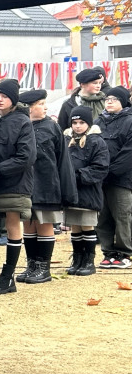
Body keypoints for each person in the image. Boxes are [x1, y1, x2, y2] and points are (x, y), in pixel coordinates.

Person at [17, 89, 77, 284]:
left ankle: (44, 268)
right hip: (25, 185)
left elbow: (63, 160)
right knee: (28, 224)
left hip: (47, 184)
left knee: (44, 224)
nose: (45, 107)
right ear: (29, 108)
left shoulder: (52, 127)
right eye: (41, 104)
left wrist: (66, 189)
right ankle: (32, 265)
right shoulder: (19, 125)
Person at [0, 79, 36, 294]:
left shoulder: (23, 122)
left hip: (14, 180)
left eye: (4, 96)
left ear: (13, 99)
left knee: (13, 224)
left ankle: (8, 276)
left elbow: (27, 156)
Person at [64, 105, 109, 275]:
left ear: (88, 124)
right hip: (71, 192)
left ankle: (89, 261)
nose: (77, 126)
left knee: (87, 226)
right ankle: (78, 259)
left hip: (88, 191)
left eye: (81, 122)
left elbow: (100, 168)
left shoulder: (97, 141)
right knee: (75, 227)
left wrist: (76, 176)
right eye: (74, 122)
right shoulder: (66, 140)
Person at [94, 86, 132, 269]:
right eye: (107, 99)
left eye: (114, 99)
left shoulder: (129, 121)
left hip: (122, 179)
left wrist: (110, 171)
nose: (109, 102)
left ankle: (125, 252)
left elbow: (128, 152)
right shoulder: (98, 121)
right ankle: (108, 252)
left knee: (123, 215)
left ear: (123, 102)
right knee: (102, 216)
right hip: (100, 178)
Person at [57, 67, 107, 132]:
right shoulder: (69, 104)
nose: (98, 86)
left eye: (100, 83)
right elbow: (62, 128)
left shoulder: (105, 101)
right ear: (83, 84)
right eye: (95, 83)